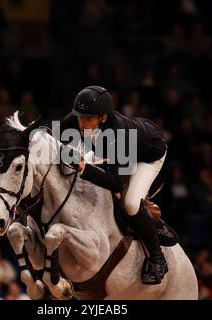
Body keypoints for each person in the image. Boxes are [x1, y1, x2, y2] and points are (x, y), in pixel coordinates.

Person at [60, 85, 168, 284]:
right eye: (79, 117)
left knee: (130, 203)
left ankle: (156, 256)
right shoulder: (80, 118)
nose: (81, 124)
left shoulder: (119, 132)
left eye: (87, 119)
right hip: (115, 149)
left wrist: (83, 167)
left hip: (148, 154)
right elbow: (53, 135)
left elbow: (117, 183)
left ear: (102, 117)